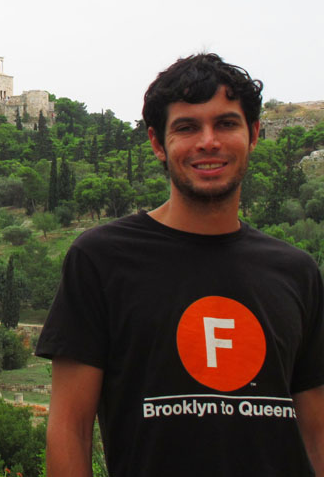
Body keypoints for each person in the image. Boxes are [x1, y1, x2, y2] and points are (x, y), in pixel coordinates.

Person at [36, 53, 324, 476]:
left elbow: (316, 433)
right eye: (187, 127)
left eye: (226, 123)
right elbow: (68, 428)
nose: (208, 141)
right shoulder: (101, 259)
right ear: (157, 143)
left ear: (255, 134)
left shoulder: (297, 272)